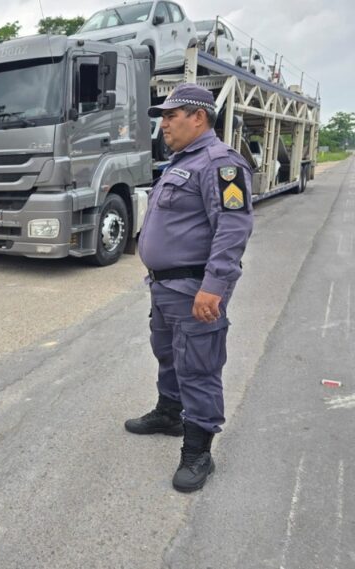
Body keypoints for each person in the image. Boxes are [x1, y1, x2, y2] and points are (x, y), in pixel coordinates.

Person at [127, 84, 254, 493]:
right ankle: (169, 412)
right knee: (167, 354)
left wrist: (213, 288)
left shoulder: (221, 164)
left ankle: (199, 450)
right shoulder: (182, 161)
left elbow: (233, 227)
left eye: (171, 115)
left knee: (198, 367)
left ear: (198, 117)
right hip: (165, 288)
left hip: (194, 289)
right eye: (163, 117)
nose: (163, 124)